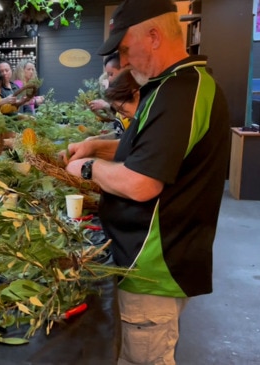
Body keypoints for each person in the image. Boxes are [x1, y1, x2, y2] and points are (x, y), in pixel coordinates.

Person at [64, 1, 230, 364]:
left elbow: (142, 182)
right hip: (146, 262)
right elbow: (150, 152)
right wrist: (99, 147)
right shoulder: (171, 86)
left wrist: (89, 167)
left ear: (153, 36)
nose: (122, 63)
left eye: (125, 49)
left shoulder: (181, 92)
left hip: (152, 268)